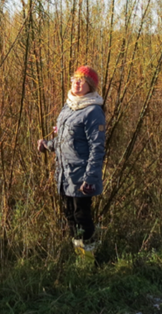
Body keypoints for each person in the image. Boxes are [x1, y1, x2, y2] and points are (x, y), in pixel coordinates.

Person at [37, 66, 106, 257]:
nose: (76, 83)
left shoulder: (93, 111)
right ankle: (79, 254)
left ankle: (89, 259)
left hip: (81, 175)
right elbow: (65, 141)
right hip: (64, 173)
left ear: (90, 86)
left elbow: (97, 148)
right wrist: (47, 145)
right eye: (74, 79)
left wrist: (90, 179)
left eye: (82, 80)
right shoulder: (69, 106)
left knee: (82, 216)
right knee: (69, 215)